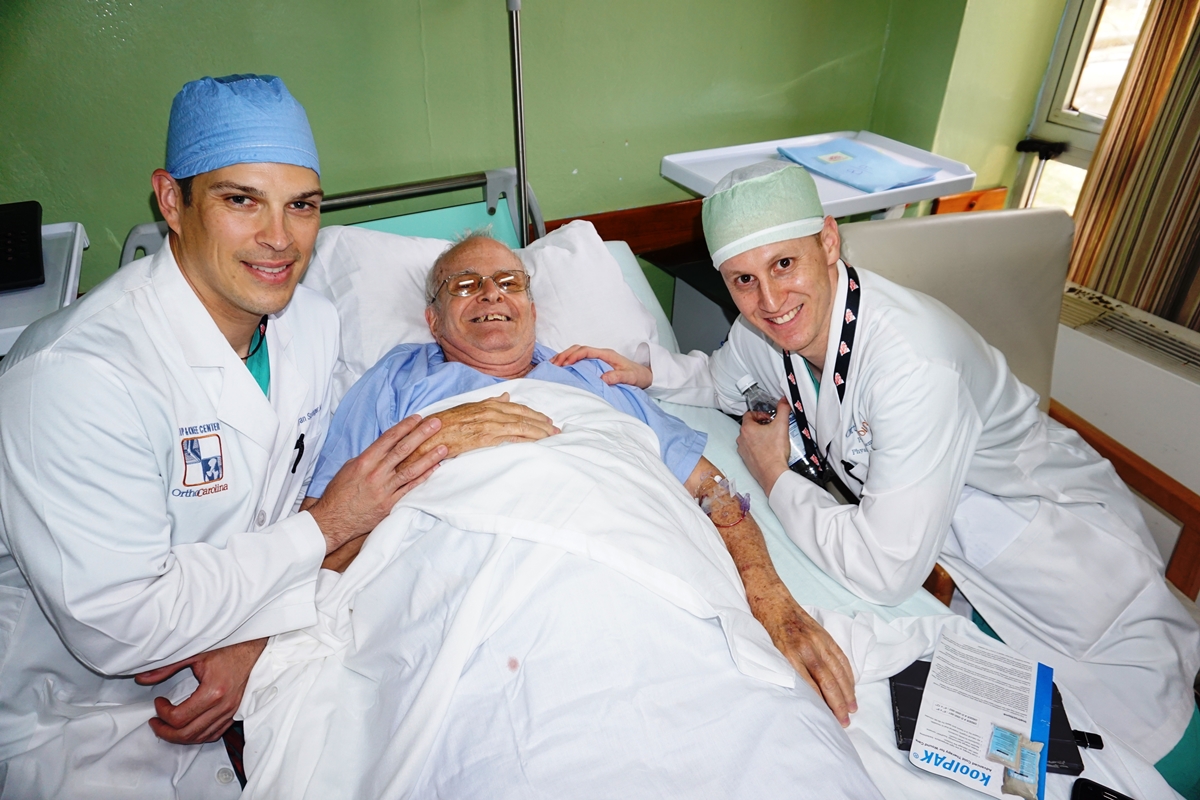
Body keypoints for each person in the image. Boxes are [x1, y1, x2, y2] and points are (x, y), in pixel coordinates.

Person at [554, 161, 1200, 797]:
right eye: (743, 280)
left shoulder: (911, 361)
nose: (770, 301)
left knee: (1160, 760)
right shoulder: (764, 332)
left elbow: (887, 569)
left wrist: (775, 475)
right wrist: (649, 372)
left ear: (828, 242)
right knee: (1059, 760)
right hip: (969, 577)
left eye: (785, 264)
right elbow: (723, 379)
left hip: (1065, 565)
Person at [0, 74, 553, 799]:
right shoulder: (73, 377)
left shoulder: (312, 326)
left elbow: (301, 504)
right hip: (84, 714)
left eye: (302, 206)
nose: (278, 238)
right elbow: (122, 627)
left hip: (256, 653)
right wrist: (329, 524)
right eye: (240, 201)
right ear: (171, 201)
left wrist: (253, 643)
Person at [305, 232, 859, 726]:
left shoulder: (593, 374)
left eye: (508, 282)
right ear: (432, 320)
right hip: (482, 593)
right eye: (465, 284)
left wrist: (772, 600)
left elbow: (714, 491)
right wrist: (437, 438)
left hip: (641, 575)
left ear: (532, 307)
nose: (491, 294)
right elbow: (325, 533)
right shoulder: (395, 380)